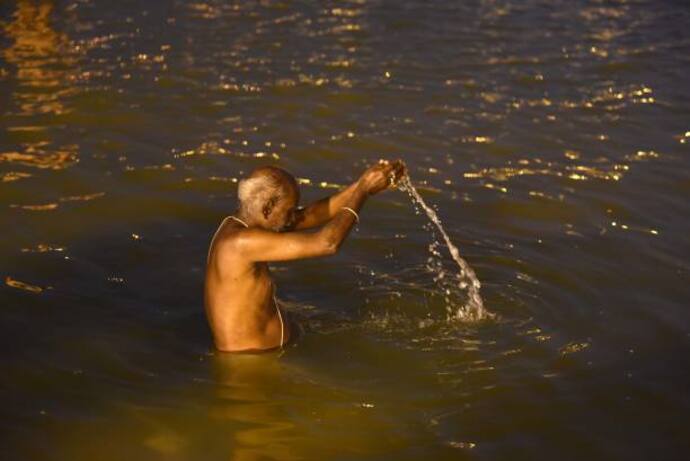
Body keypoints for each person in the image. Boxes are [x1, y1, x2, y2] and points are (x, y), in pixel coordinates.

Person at [204, 159, 407, 352]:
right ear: (267, 208)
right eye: (290, 210)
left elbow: (312, 214)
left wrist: (365, 183)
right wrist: (362, 191)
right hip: (254, 366)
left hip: (266, 356)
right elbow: (327, 243)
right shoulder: (241, 243)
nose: (295, 217)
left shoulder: (239, 224)